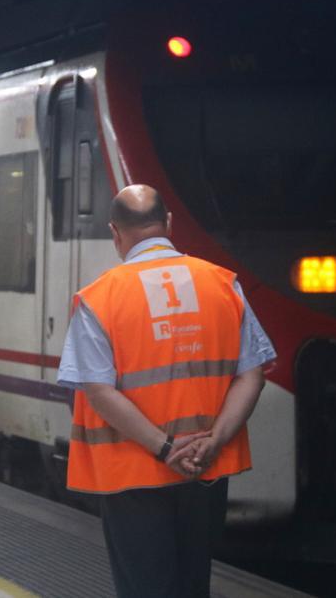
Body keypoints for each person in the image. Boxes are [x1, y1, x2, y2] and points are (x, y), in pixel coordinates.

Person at [56, 185, 275, 598]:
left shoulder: (99, 298)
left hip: (132, 475)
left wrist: (164, 448)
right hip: (205, 471)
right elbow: (253, 376)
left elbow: (99, 391)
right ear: (169, 223)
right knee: (193, 584)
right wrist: (213, 442)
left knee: (145, 587)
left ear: (115, 232)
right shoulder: (222, 284)